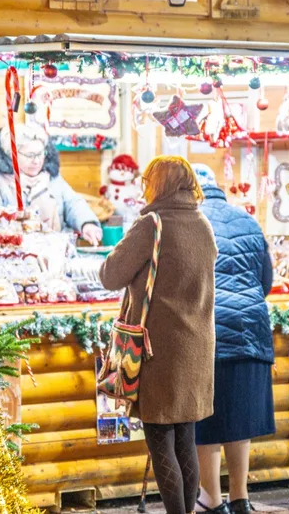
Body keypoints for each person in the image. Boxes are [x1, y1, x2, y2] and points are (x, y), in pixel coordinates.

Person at [99, 156, 218, 514]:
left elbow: (110, 275)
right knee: (185, 441)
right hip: (197, 348)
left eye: (147, 180)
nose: (142, 186)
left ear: (158, 184)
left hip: (158, 350)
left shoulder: (152, 224)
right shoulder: (202, 223)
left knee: (160, 442)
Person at [190, 164, 275, 514]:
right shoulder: (248, 221)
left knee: (206, 419)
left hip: (207, 335)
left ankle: (210, 499)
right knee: (239, 418)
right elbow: (265, 280)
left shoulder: (188, 222)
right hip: (251, 331)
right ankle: (240, 497)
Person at [0, 122, 103, 244]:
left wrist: (87, 224)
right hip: (7, 259)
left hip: (52, 256)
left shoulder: (49, 176)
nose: (37, 161)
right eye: (30, 155)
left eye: (41, 154)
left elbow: (72, 202)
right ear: (12, 155)